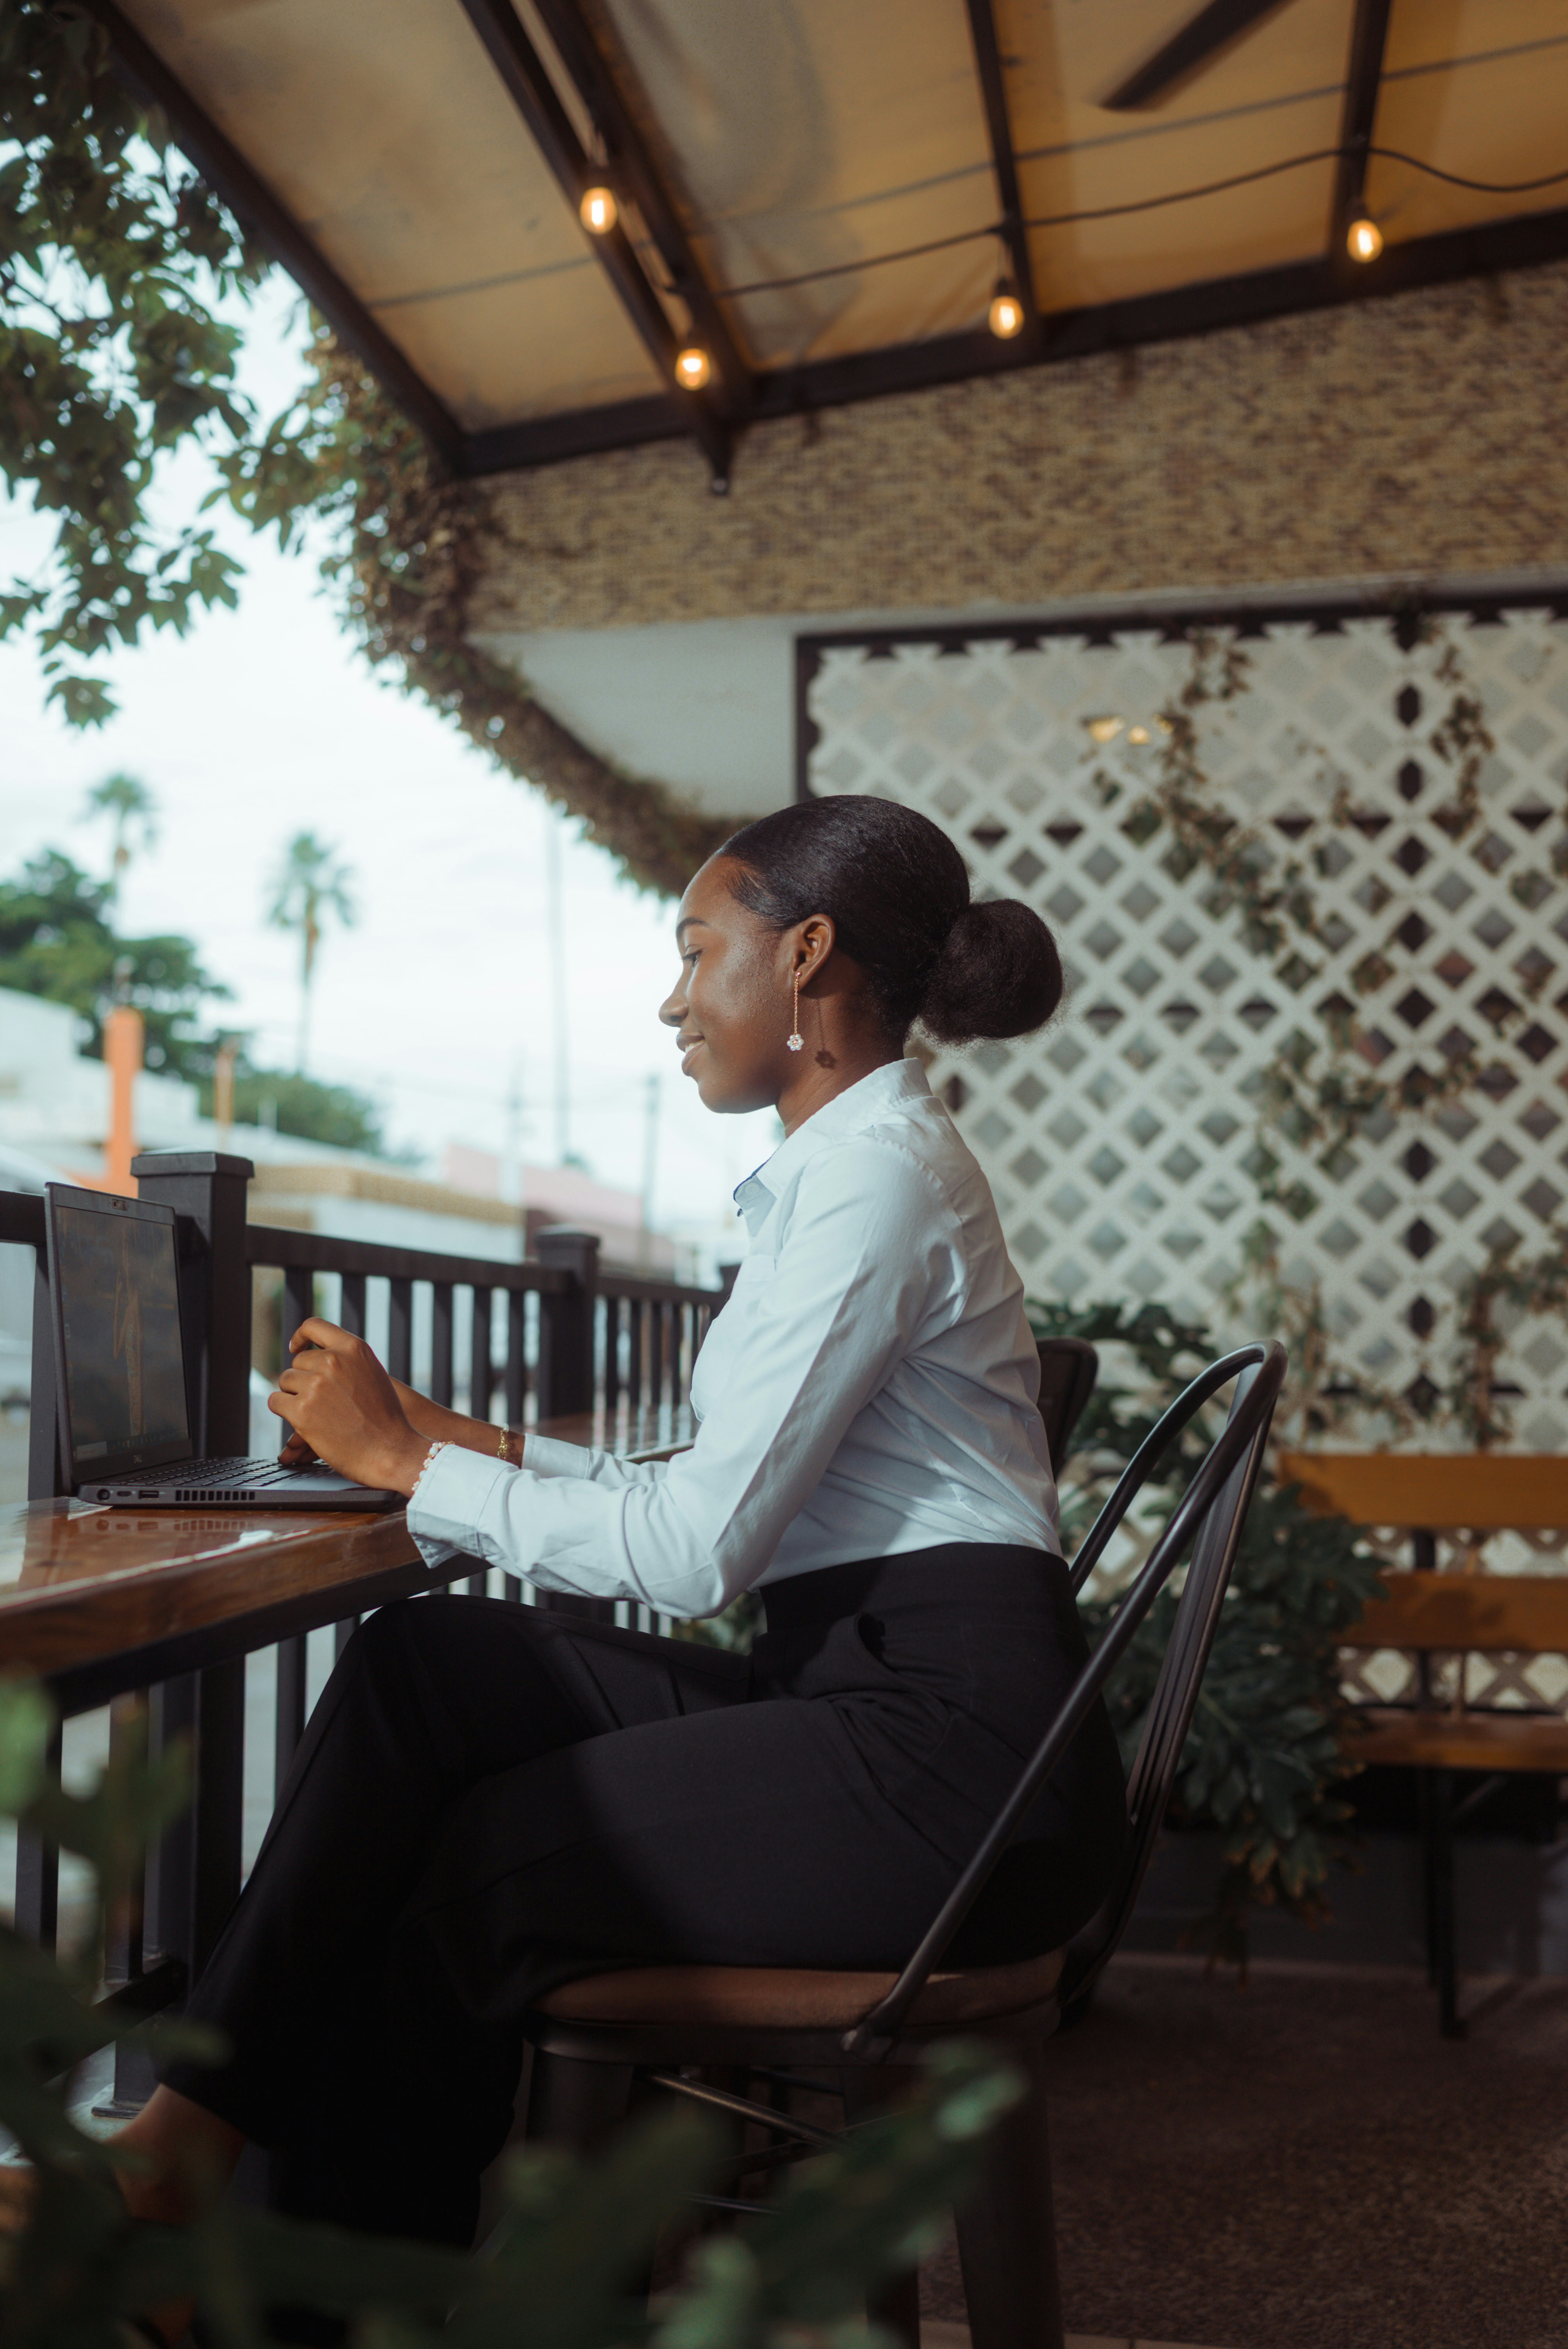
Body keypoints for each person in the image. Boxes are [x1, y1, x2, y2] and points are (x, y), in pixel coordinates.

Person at [112, 793, 1129, 2271]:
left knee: (475, 1864)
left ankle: (328, 2299)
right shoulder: (851, 1169)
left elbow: (698, 1557)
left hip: (955, 1777)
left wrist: (411, 1461)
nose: (673, 998)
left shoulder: (872, 1181)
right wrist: (459, 1444)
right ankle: (183, 2148)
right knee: (428, 1666)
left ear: (807, 957)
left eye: (699, 948)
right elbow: (716, 1486)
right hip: (883, 1696)